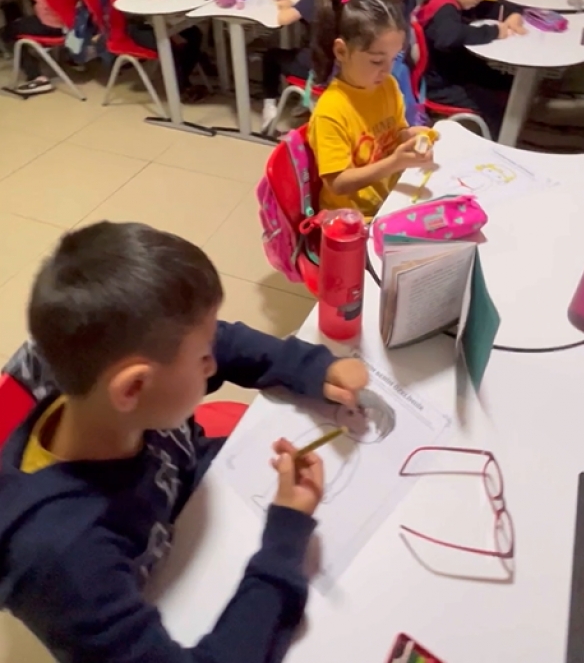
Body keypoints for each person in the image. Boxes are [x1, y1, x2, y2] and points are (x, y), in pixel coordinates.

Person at [0, 220, 368, 663]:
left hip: (193, 503)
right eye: (202, 358)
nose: (213, 361)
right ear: (134, 388)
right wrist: (285, 541)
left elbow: (218, 340)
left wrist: (310, 367)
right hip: (169, 595)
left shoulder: (99, 383)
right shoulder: (64, 558)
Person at [308, 0, 434, 220]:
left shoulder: (388, 86)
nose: (387, 70)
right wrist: (394, 162)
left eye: (394, 58)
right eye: (377, 61)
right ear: (342, 51)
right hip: (351, 221)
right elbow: (338, 183)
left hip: (387, 202)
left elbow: (395, 133)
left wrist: (412, 136)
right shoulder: (331, 111)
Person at [414, 0, 525, 140]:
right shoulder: (444, 8)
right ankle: (498, 145)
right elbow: (448, 37)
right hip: (441, 85)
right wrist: (493, 32)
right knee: (494, 106)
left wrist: (513, 14)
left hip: (455, 72)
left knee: (508, 84)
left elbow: (490, 8)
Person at [262, 0, 353, 129]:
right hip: (339, 65)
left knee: (270, 56)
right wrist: (293, 0)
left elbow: (283, 19)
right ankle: (301, 103)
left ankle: (269, 107)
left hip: (316, 69)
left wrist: (285, 7)